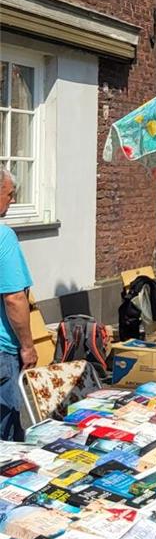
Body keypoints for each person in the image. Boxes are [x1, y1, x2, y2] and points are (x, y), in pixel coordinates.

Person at [0, 169, 36, 441]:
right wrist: (28, 346)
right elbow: (14, 297)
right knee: (7, 439)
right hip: (2, 349)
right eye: (10, 194)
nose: (12, 201)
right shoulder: (4, 237)